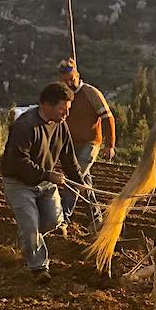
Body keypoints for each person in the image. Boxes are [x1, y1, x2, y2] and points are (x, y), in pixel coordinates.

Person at [0, 82, 84, 283]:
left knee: (52, 222)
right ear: (46, 105)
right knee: (30, 224)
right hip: (19, 183)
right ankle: (39, 269)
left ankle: (28, 241)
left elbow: (68, 157)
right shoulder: (25, 125)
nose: (66, 114)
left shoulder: (61, 126)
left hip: (44, 183)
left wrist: (79, 182)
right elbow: (17, 161)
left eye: (68, 109)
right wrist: (48, 175)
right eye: (63, 109)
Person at [56, 59, 116, 228]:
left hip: (90, 144)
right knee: (84, 182)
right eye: (65, 80)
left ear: (78, 75)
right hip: (70, 145)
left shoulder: (91, 93)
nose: (69, 83)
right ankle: (96, 218)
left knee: (74, 179)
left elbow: (107, 117)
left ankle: (63, 218)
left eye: (71, 79)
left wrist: (109, 144)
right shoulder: (63, 95)